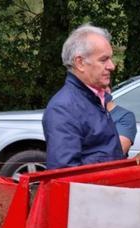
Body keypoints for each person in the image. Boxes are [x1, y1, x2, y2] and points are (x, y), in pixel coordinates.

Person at [43, 24, 125, 169]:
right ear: (80, 63)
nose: (111, 66)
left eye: (110, 59)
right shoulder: (63, 108)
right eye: (103, 60)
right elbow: (64, 173)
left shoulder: (96, 99)